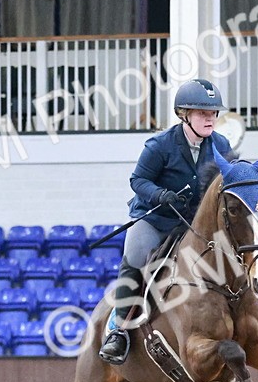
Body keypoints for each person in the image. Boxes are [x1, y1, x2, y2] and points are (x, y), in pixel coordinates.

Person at [99, 78, 235, 365]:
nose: (210, 119)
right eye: (202, 113)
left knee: (235, 253)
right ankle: (119, 330)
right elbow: (138, 180)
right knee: (135, 257)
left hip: (194, 224)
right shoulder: (160, 145)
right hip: (157, 219)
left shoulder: (221, 144)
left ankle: (254, 317)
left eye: (213, 114)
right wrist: (160, 195)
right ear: (184, 115)